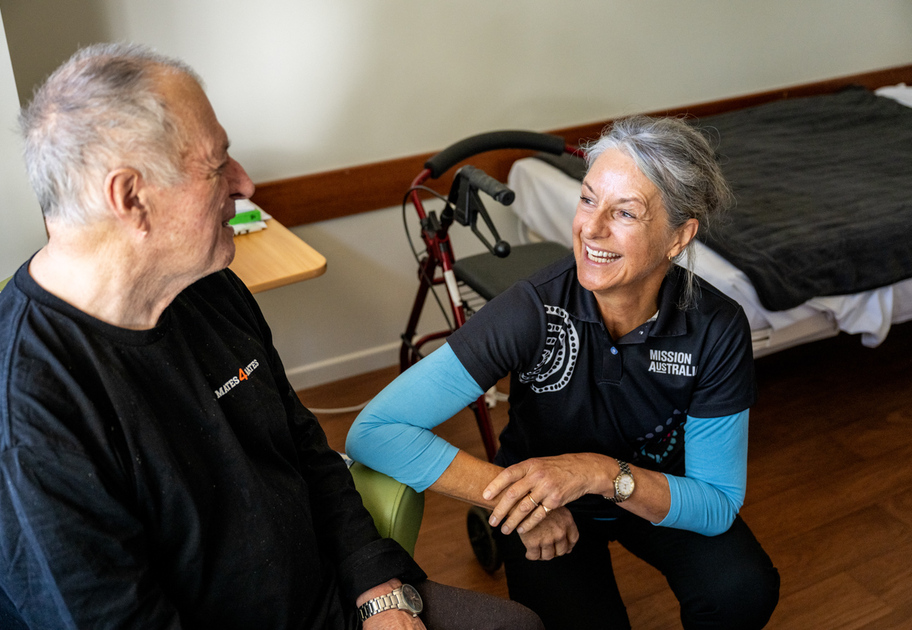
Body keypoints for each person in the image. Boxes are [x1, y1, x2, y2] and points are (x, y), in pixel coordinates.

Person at [0, 43, 544, 630]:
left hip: (331, 598)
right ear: (130, 197)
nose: (245, 184)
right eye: (218, 165)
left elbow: (305, 448)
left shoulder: (207, 285)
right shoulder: (29, 413)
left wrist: (379, 588)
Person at [347, 116, 781, 629]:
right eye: (588, 199)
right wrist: (522, 500)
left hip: (654, 491)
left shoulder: (715, 326)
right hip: (547, 506)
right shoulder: (533, 308)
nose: (591, 229)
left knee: (744, 590)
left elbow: (716, 503)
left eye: (625, 212)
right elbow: (373, 432)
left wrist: (600, 472)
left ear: (677, 236)